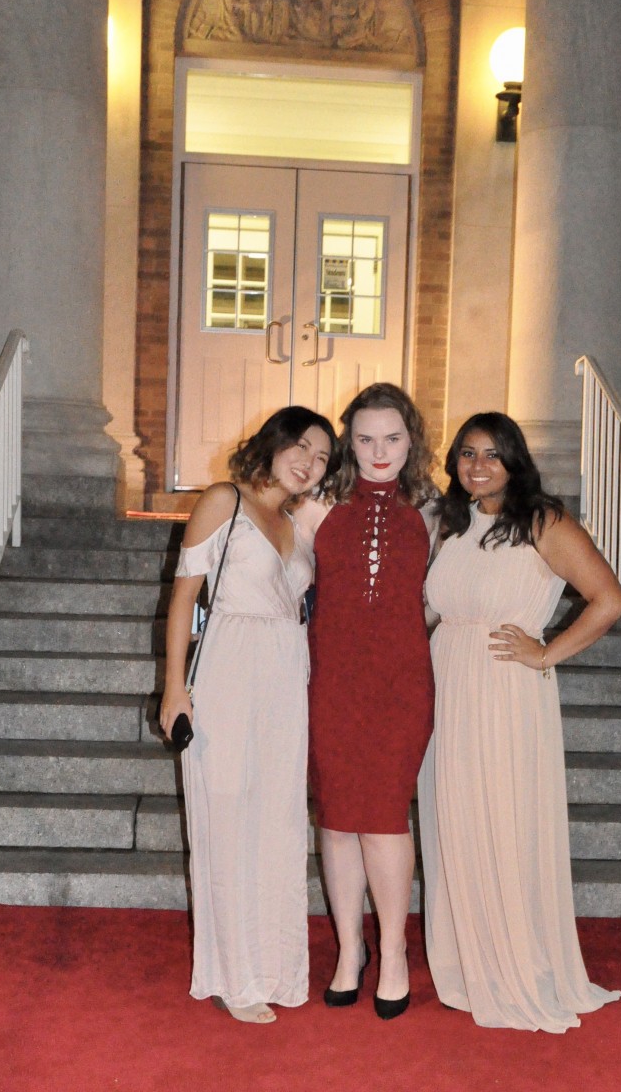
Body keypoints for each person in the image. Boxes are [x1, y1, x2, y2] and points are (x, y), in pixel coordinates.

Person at [418, 411, 621, 1033]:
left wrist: (545, 652)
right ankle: (468, 963)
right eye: (466, 454)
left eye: (491, 454)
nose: (477, 465)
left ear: (515, 460)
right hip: (446, 683)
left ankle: (516, 967)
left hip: (506, 689)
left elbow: (609, 598)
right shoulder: (451, 522)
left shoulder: (542, 520)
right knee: (454, 820)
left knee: (503, 820)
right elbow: (428, 611)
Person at [160, 406, 338, 1025]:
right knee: (228, 816)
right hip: (230, 666)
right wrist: (174, 690)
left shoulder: (300, 519)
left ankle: (276, 968)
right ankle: (233, 975)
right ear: (274, 442)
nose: (309, 464)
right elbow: (183, 596)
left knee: (278, 820)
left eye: (321, 459)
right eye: (302, 448)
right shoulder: (223, 500)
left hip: (288, 674)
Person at [296, 383, 437, 1020]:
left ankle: (395, 952)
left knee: (383, 816)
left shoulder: (439, 510)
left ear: (413, 440)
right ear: (349, 442)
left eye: (393, 438)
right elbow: (282, 583)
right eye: (365, 438)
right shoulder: (316, 506)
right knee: (337, 816)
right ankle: (350, 951)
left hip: (402, 685)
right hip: (331, 681)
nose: (380, 452)